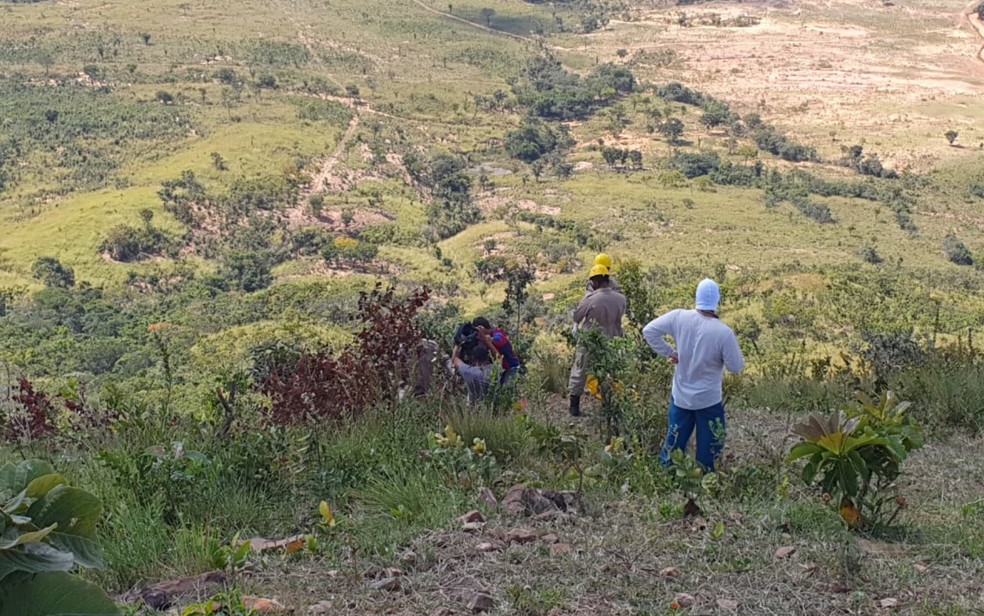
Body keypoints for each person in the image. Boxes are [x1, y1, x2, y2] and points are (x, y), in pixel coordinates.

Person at [642, 278, 744, 472]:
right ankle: (705, 481)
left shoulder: (679, 317)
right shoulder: (723, 332)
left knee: (673, 444)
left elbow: (649, 331)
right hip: (709, 400)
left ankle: (667, 478)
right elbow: (736, 367)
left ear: (696, 297)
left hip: (680, 396)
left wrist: (671, 353)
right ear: (717, 301)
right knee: (709, 450)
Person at [569, 264, 627, 417]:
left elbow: (577, 317)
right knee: (609, 372)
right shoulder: (621, 298)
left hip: (590, 341)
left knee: (580, 370)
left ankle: (574, 406)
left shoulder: (590, 300)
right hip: (613, 340)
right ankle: (608, 404)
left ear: (594, 282)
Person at [472, 316, 522, 386]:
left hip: (511, 368)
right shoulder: (493, 335)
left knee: (506, 389)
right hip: (503, 369)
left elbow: (498, 350)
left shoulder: (498, 335)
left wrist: (486, 339)